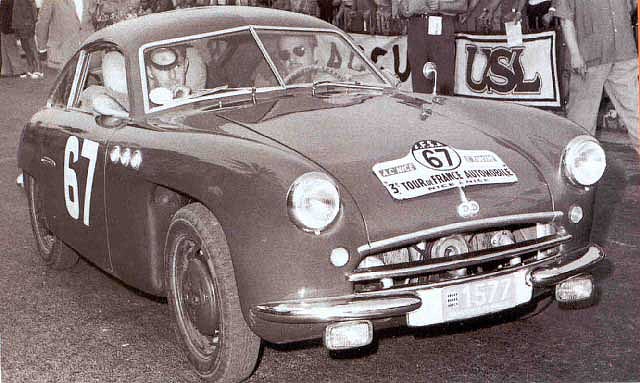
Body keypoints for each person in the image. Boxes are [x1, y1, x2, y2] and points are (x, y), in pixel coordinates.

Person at [553, 0, 639, 153]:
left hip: (621, 54)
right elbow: (565, 19)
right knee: (581, 122)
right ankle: (579, 167)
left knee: (636, 112)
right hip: (590, 59)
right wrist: (575, 55)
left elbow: (631, 6)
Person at [401, 0, 467, 95]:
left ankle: (442, 109)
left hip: (441, 24)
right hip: (416, 25)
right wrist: (402, 9)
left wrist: (441, 5)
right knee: (419, 80)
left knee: (444, 80)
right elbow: (400, 8)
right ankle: (422, 109)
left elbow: (463, 5)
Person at [36, 0, 95, 69]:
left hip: (86, 51)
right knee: (65, 79)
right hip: (62, 52)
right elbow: (42, 23)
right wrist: (42, 48)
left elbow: (94, 19)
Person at [12, 0, 43, 78]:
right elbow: (15, 10)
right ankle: (31, 68)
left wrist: (34, 21)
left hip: (27, 23)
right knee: (25, 47)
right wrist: (15, 25)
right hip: (19, 24)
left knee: (32, 46)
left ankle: (38, 69)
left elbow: (33, 6)